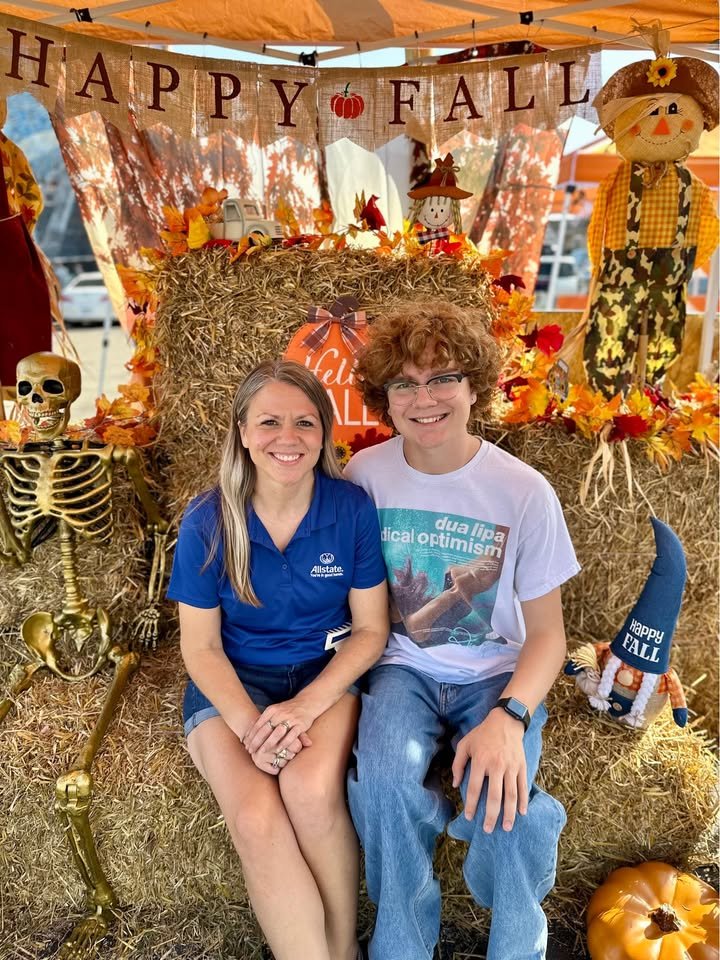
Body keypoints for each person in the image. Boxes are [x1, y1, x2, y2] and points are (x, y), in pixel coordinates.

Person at [344, 301, 580, 960]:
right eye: (404, 384)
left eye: (443, 378)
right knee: (386, 782)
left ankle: (517, 944)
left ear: (474, 385)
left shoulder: (522, 493)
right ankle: (401, 946)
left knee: (504, 803)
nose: (425, 398)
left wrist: (510, 716)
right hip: (403, 670)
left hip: (494, 675)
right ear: (384, 400)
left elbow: (548, 638)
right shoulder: (365, 478)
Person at [167, 359, 389, 960]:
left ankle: (344, 950)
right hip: (232, 687)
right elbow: (201, 648)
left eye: (304, 423)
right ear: (241, 432)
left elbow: (371, 631)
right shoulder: (207, 520)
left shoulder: (350, 509)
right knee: (258, 822)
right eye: (268, 422)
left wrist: (303, 708)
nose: (287, 439)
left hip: (322, 678)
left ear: (325, 433)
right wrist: (252, 727)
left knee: (311, 792)